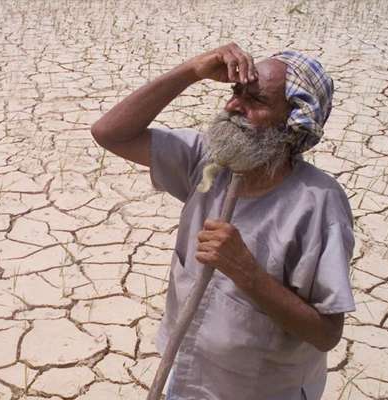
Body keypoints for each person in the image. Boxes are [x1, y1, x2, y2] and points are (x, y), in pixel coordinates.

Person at [90, 43, 356, 399]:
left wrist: (246, 272)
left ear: (293, 122)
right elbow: (109, 132)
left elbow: (327, 332)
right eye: (236, 92)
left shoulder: (318, 204)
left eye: (256, 101)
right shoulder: (206, 160)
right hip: (184, 376)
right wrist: (191, 71)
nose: (233, 106)